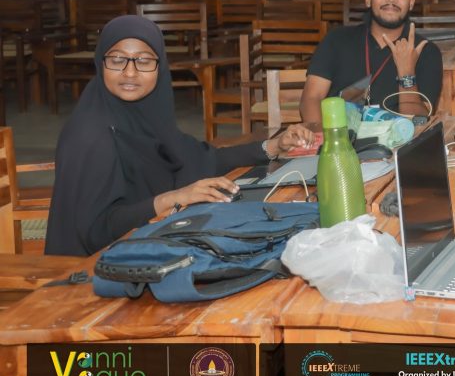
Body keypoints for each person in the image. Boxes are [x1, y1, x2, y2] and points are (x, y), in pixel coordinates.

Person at [46, 16, 314, 257]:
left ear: (160, 67)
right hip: (94, 269)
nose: (130, 72)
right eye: (117, 60)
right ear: (100, 63)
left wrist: (273, 146)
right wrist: (173, 197)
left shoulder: (142, 116)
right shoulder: (90, 136)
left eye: (143, 61)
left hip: (144, 244)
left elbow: (201, 158)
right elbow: (97, 231)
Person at [300, 0, 443, 123]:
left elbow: (418, 121)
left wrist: (406, 74)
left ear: (411, 2)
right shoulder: (336, 40)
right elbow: (311, 99)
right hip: (339, 134)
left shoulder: (426, 51)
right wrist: (326, 136)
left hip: (399, 138)